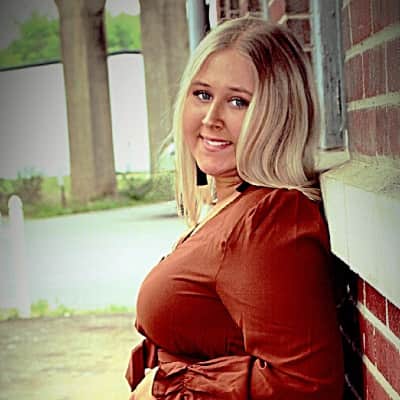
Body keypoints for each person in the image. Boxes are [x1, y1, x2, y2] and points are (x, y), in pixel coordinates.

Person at [126, 16, 344, 399]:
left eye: (238, 101)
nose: (211, 119)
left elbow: (305, 386)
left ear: (279, 114)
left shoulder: (269, 218)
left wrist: (167, 388)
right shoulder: (231, 201)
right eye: (202, 95)